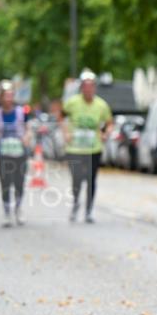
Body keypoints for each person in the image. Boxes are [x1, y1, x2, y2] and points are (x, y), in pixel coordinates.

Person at [62, 70, 113, 223]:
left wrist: (105, 133)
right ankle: (76, 202)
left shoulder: (101, 105)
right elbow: (61, 117)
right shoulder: (72, 102)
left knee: (91, 180)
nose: (88, 89)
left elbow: (109, 123)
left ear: (94, 88)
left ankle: (89, 210)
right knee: (76, 179)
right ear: (81, 88)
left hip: (93, 148)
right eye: (85, 86)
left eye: (91, 86)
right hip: (75, 148)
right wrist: (66, 132)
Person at [0, 83, 31, 226]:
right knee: (5, 183)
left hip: (19, 152)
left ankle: (18, 209)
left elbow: (28, 129)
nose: (9, 98)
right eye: (6, 95)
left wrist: (27, 137)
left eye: (11, 95)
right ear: (0, 97)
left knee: (19, 182)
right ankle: (7, 212)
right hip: (3, 153)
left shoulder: (21, 111)